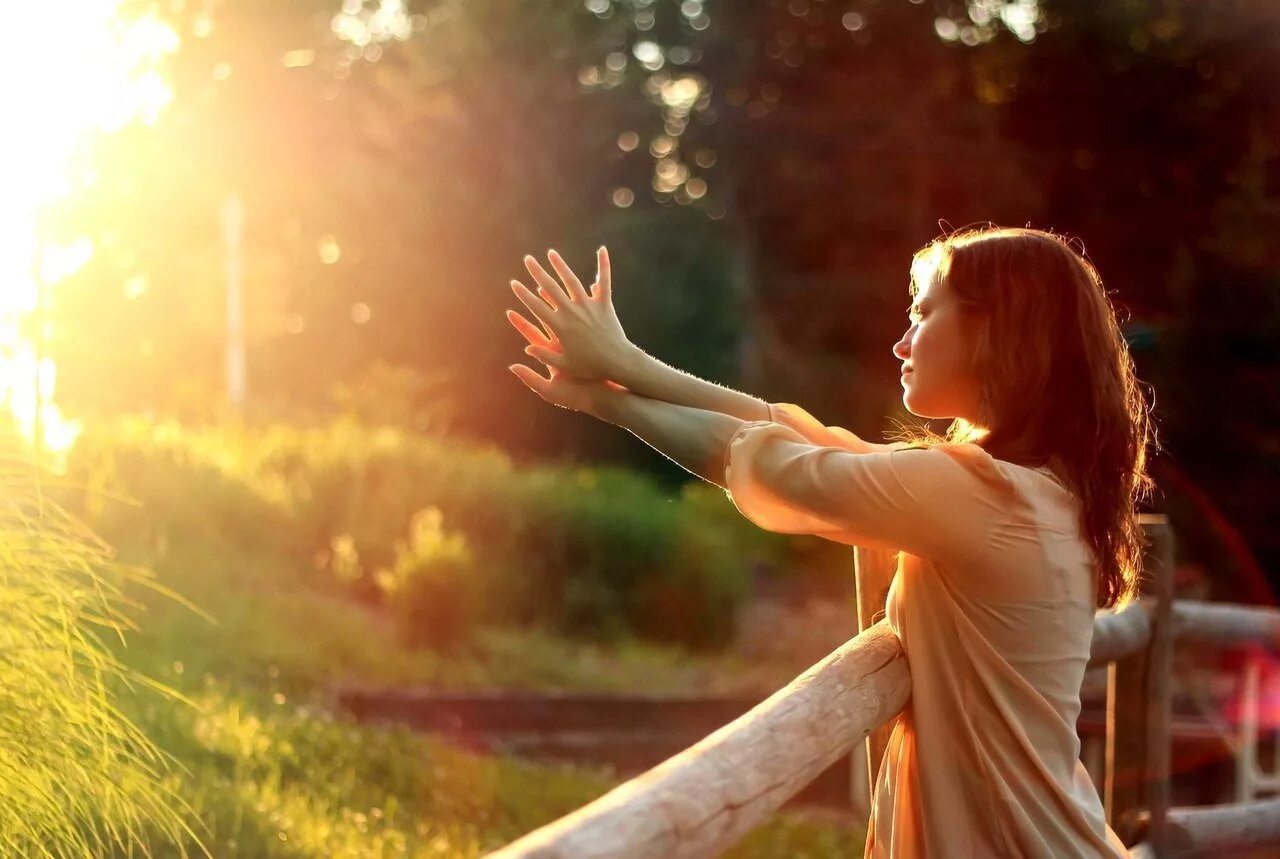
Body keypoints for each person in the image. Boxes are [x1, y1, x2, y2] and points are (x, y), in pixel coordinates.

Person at [504, 225, 1155, 857]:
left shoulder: (984, 496)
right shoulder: (1038, 490)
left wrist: (609, 398)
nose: (902, 343)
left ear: (994, 332)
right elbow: (809, 440)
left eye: (924, 314)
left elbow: (773, 462)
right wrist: (624, 369)